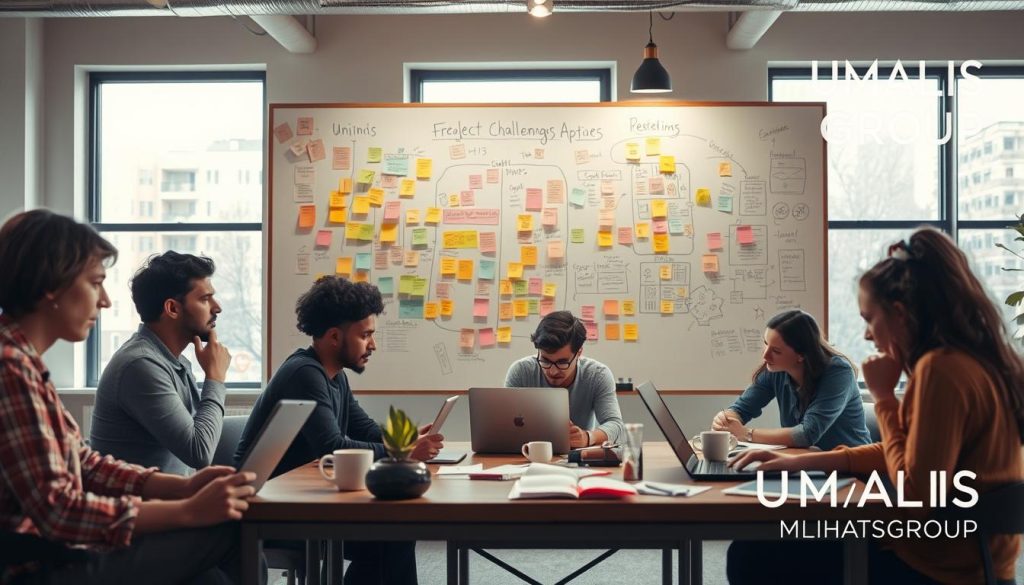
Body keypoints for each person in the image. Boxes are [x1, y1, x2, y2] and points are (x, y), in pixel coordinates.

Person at [728, 227, 1024, 584]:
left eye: (869, 319)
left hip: (938, 566)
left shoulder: (940, 371)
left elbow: (917, 494)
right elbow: (912, 457)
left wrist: (884, 399)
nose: (867, 334)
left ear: (899, 314)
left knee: (751, 554)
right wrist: (804, 461)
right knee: (771, 545)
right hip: (970, 556)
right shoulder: (979, 361)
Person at [0, 210, 256, 585]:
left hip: (63, 550)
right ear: (51, 287)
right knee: (231, 528)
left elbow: (85, 463)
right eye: (95, 283)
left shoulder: (24, 362)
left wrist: (183, 488)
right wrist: (187, 510)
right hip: (38, 567)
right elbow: (58, 510)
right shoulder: (10, 367)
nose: (104, 301)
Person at [235, 276, 442, 585]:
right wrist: (405, 454)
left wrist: (406, 439)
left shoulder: (333, 376)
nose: (373, 344)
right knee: (391, 537)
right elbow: (332, 448)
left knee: (395, 534)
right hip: (272, 508)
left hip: (306, 499)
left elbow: (365, 428)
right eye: (366, 335)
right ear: (334, 336)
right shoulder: (305, 373)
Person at [91, 251, 231, 475]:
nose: (217, 307)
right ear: (173, 309)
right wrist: (215, 378)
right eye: (205, 299)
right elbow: (199, 453)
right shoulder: (140, 365)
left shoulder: (174, 361)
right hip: (142, 508)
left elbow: (198, 440)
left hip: (175, 501)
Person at [710, 309, 871, 451]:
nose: (765, 355)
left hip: (852, 470)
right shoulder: (776, 369)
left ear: (801, 355)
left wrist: (746, 434)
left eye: (776, 351)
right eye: (765, 344)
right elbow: (742, 409)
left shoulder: (838, 372)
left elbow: (807, 434)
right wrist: (727, 420)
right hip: (805, 464)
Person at [505, 311, 624, 448]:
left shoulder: (597, 375)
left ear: (579, 352)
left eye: (562, 362)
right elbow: (505, 423)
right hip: (526, 455)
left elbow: (616, 425)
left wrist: (587, 437)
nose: (553, 371)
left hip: (577, 460)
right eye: (545, 360)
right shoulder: (521, 371)